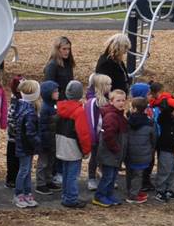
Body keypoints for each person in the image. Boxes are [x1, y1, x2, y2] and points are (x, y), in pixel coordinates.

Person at [53, 80, 92, 209]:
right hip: (73, 146)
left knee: (66, 172)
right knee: (73, 175)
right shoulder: (79, 111)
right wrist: (86, 150)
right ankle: (71, 198)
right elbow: (83, 133)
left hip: (61, 143)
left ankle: (66, 195)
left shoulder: (60, 108)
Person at [9, 79, 42, 207]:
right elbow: (30, 133)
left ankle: (27, 193)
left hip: (24, 145)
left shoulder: (21, 105)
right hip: (25, 146)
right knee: (24, 170)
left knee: (27, 170)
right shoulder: (30, 112)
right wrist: (39, 144)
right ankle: (18, 194)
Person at [94, 89, 127, 206]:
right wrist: (116, 148)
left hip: (115, 153)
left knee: (113, 176)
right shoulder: (111, 116)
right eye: (118, 100)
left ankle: (109, 194)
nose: (121, 103)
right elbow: (108, 135)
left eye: (123, 100)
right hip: (109, 153)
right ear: (111, 102)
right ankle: (99, 196)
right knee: (107, 176)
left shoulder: (119, 115)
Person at [153, 87, 174, 202]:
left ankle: (167, 188)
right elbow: (163, 113)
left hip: (172, 149)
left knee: (172, 170)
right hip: (166, 148)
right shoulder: (165, 119)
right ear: (169, 111)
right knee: (165, 169)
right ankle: (160, 190)